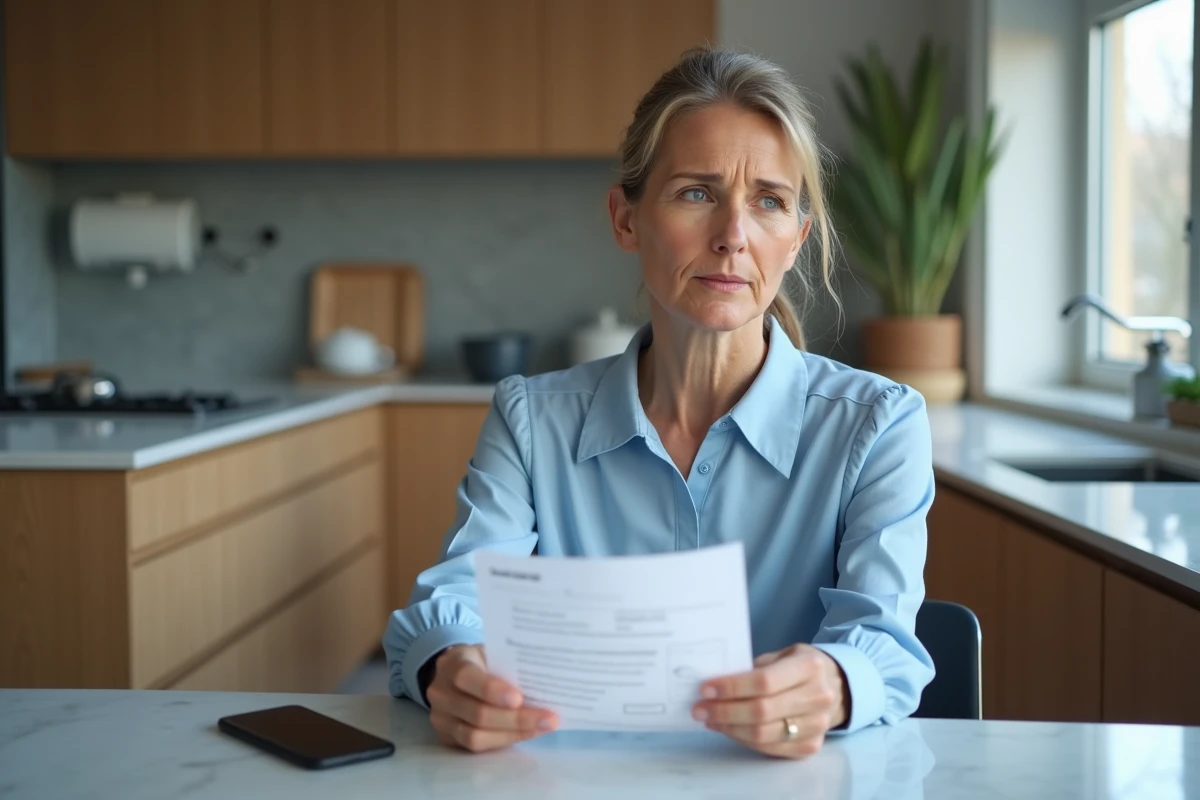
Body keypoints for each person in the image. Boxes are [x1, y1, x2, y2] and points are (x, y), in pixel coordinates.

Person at [383, 47, 935, 760]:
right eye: (697, 193)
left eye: (768, 201)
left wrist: (833, 684)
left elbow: (883, 644)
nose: (733, 236)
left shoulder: (880, 424)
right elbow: (450, 605)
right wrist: (448, 670)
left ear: (796, 240)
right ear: (625, 219)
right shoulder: (529, 421)